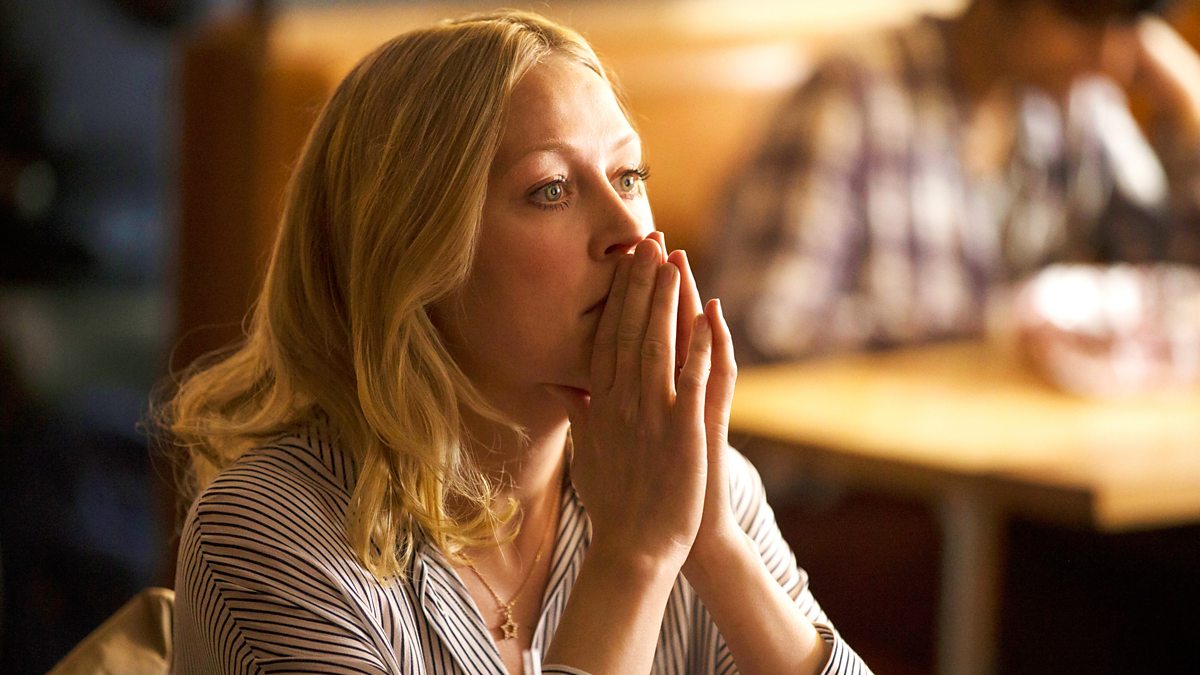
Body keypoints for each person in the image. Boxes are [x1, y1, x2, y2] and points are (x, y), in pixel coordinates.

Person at [162, 10, 870, 675]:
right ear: (411, 256)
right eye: (552, 190)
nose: (632, 230)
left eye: (629, 176)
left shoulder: (688, 481)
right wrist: (634, 556)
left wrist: (715, 544)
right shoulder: (268, 534)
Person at [708, 0, 1200, 362]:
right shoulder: (854, 94)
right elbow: (761, 328)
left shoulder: (1077, 107)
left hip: (1011, 453)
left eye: (1127, 28)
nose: (1112, 60)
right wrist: (984, 329)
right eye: (1086, 23)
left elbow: (1170, 278)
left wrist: (1191, 106)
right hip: (866, 466)